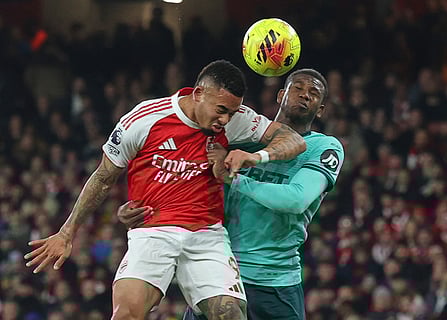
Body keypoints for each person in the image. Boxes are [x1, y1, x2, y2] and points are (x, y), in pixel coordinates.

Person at [23, 60, 306, 320]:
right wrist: (67, 232)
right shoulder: (144, 119)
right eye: (221, 110)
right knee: (126, 314)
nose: (225, 120)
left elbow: (294, 141)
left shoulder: (238, 120)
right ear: (198, 93)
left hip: (206, 235)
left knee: (231, 314)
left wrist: (255, 157)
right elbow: (103, 177)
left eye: (231, 113)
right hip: (153, 232)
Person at [118, 68, 344, 319]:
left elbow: (296, 199)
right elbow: (184, 177)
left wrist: (234, 178)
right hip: (220, 274)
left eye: (313, 94)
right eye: (298, 88)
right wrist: (142, 208)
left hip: (275, 281)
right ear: (281, 95)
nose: (304, 96)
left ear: (321, 109)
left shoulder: (324, 147)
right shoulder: (240, 135)